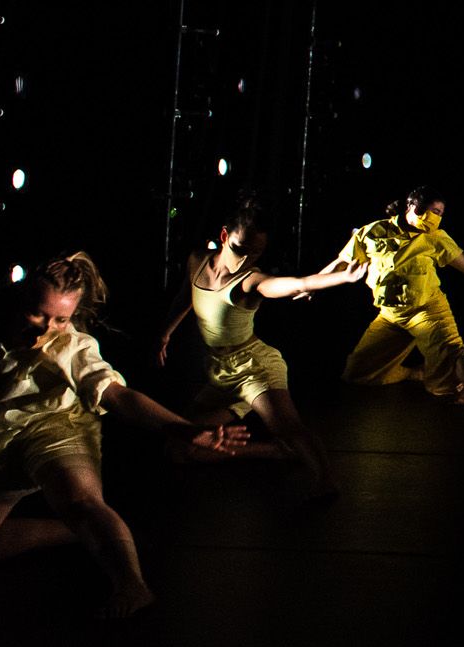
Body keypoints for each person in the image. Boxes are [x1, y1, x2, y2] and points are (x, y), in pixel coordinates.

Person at [0, 252, 242, 618]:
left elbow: (118, 396)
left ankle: (131, 584)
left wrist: (184, 429)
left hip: (55, 427)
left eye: (61, 319)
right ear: (21, 297)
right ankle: (79, 533)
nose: (46, 329)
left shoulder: (71, 346)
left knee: (81, 500)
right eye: (38, 315)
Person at [155, 198, 365, 498]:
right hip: (219, 372)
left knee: (287, 425)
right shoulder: (197, 260)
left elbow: (296, 284)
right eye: (241, 249)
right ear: (224, 236)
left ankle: (326, 480)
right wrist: (165, 332)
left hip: (254, 368)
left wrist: (341, 277)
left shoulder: (249, 280)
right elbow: (184, 297)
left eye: (256, 252)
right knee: (178, 448)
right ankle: (273, 450)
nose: (246, 259)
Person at [333, 186, 464, 406]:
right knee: (357, 373)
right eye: (433, 211)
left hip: (427, 310)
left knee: (452, 352)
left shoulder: (435, 237)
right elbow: (342, 262)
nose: (436, 218)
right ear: (412, 206)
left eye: (440, 213)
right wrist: (312, 284)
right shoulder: (372, 231)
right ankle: (415, 373)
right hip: (390, 315)